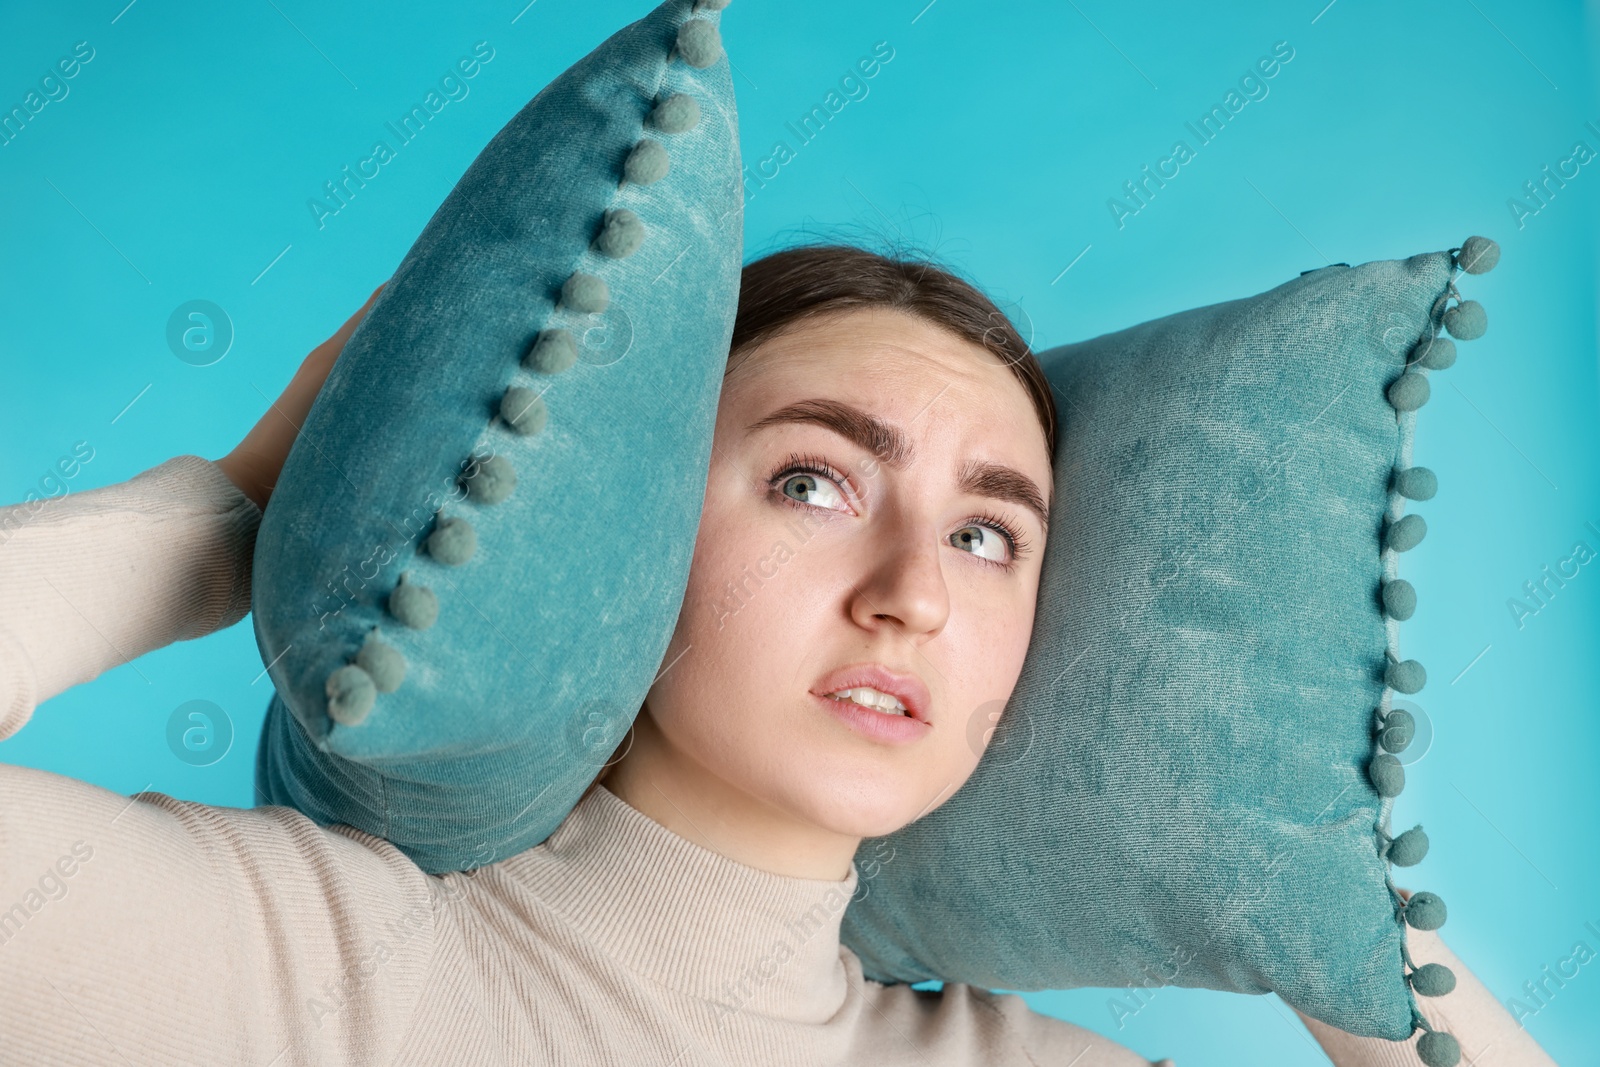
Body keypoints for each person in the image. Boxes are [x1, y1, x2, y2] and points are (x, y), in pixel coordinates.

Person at [0, 244, 1557, 1066]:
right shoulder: (285, 969)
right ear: (623, 527)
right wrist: (224, 517)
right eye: (815, 481)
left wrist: (1300, 869)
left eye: (990, 534)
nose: (913, 597)